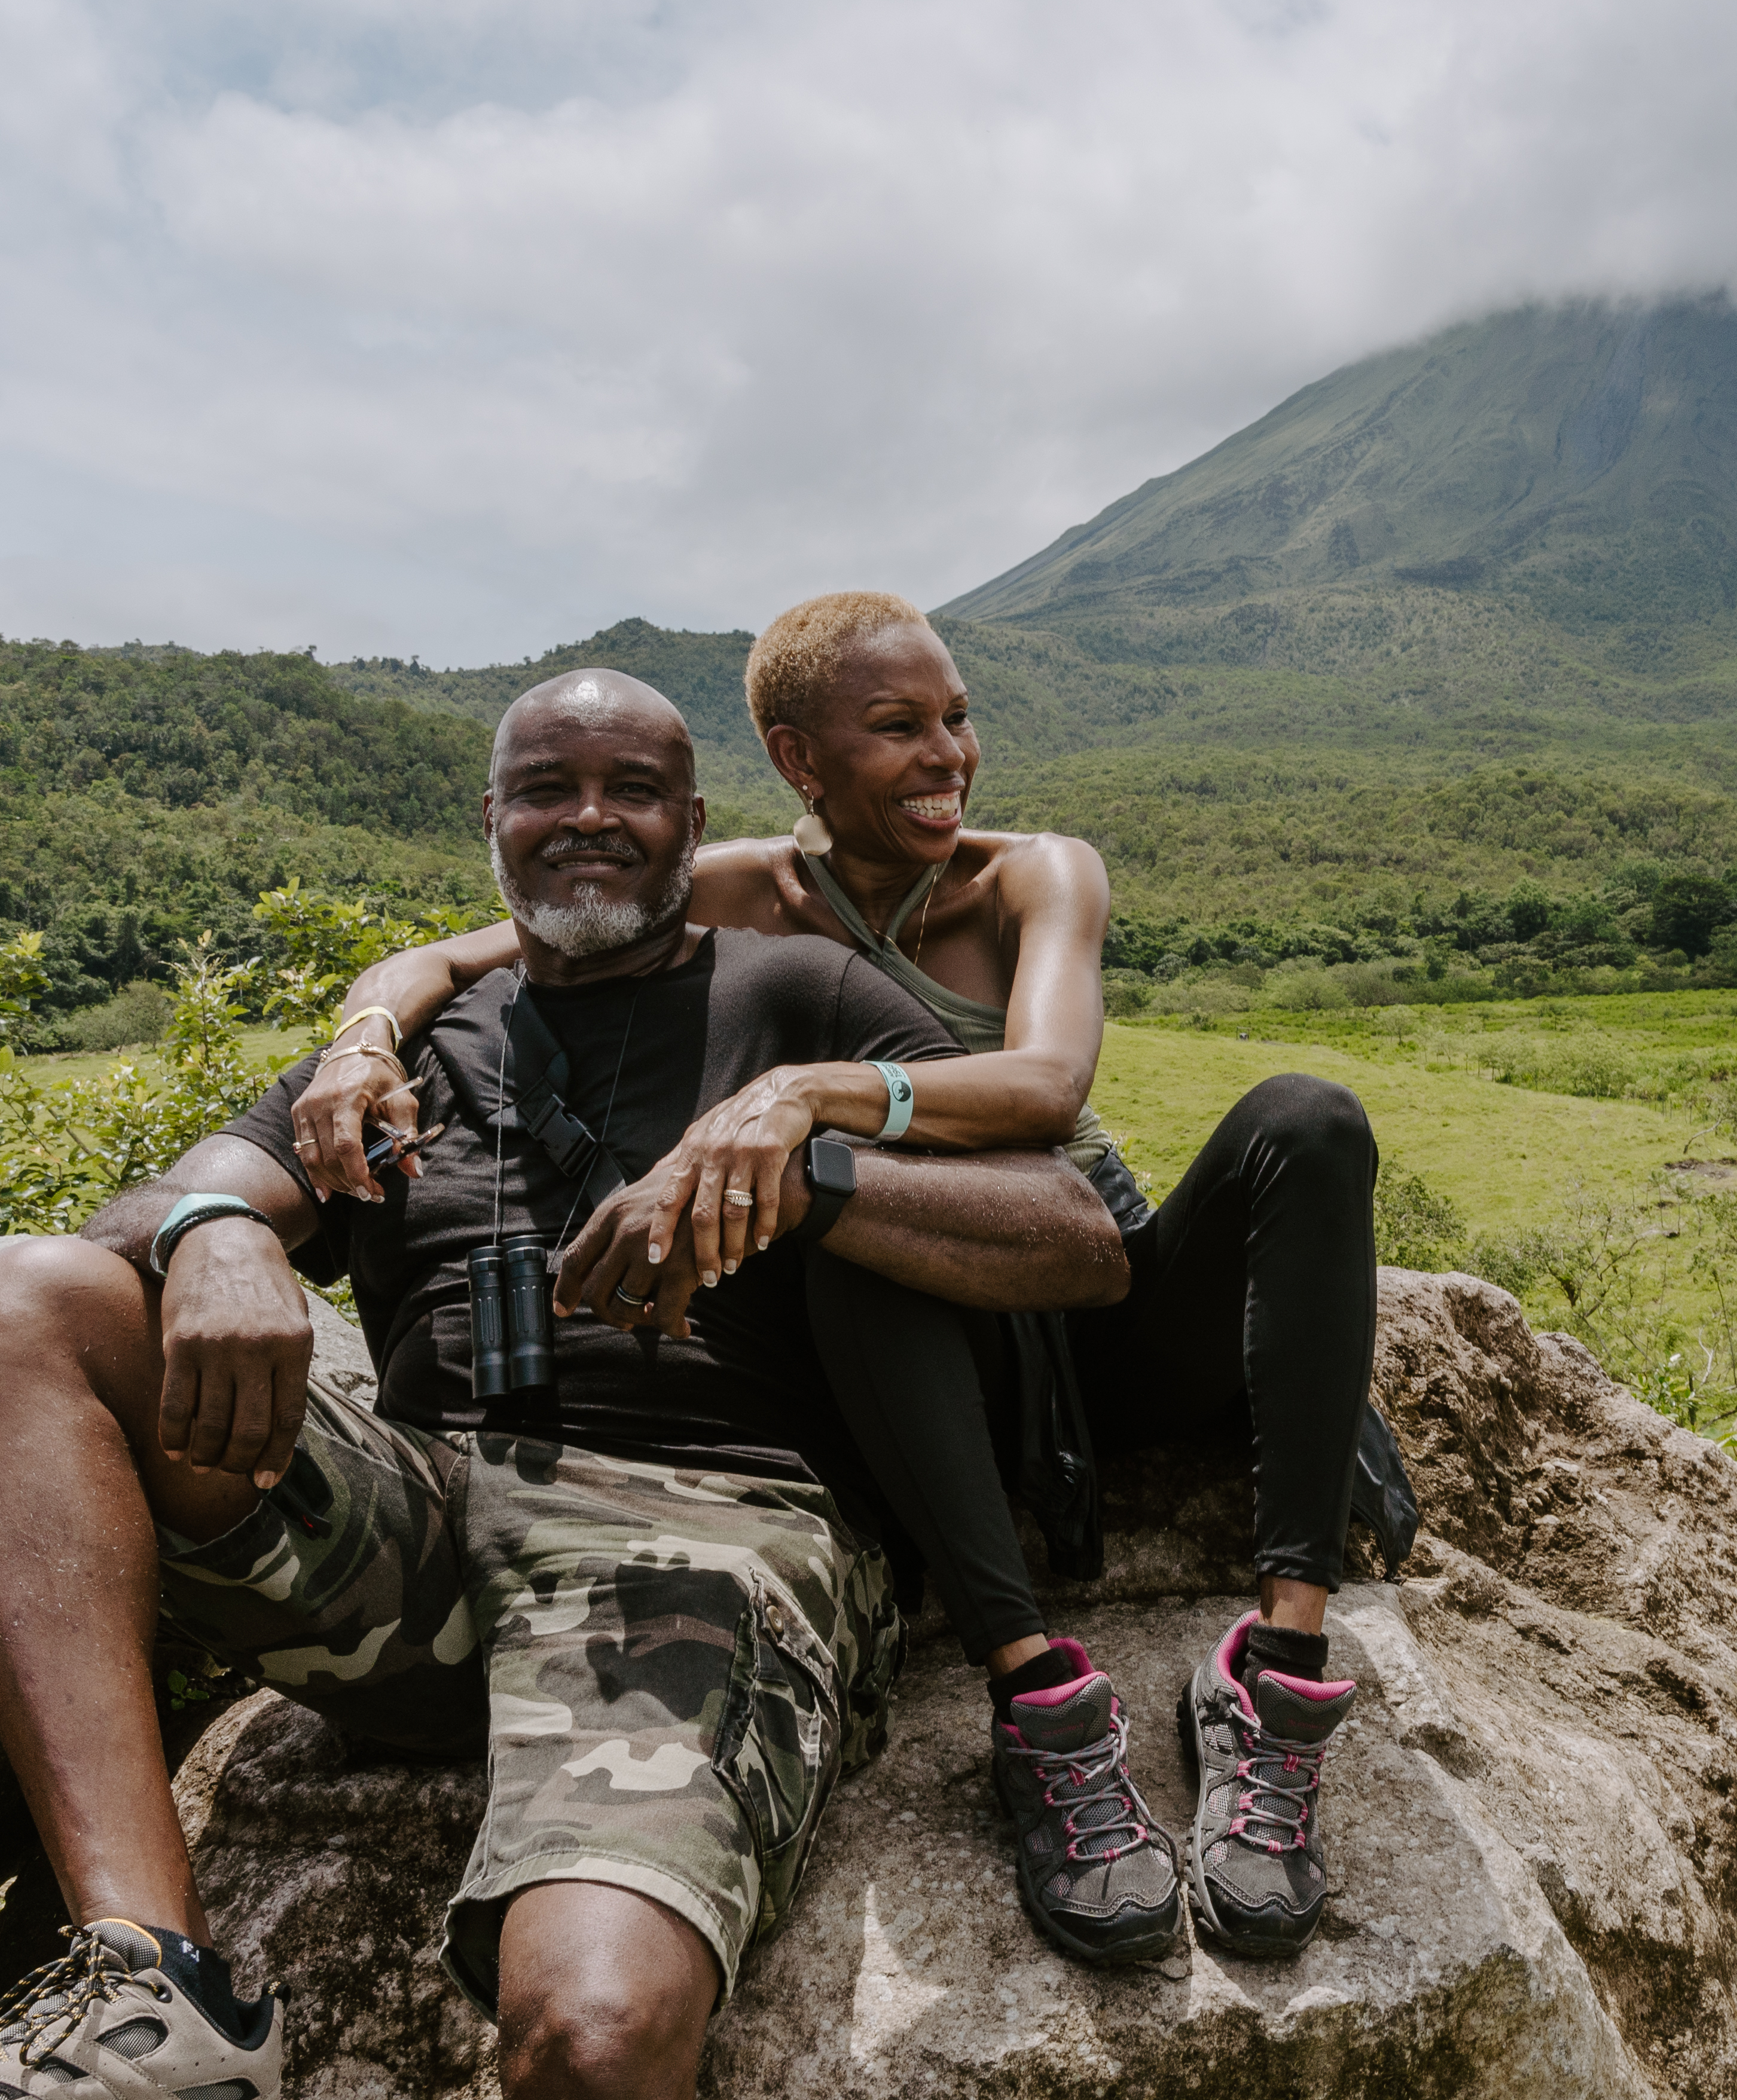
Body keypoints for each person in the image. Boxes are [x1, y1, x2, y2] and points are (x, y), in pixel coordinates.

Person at [0, 670, 1131, 2100]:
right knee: (15, 1301)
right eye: (550, 787)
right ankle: (152, 1995)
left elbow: (1072, 1235)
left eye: (633, 789)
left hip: (706, 1535)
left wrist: (811, 1169)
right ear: (491, 817)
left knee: (596, 2035)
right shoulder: (423, 1039)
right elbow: (144, 1215)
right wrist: (224, 1230)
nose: (590, 818)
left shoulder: (797, 992)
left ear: (694, 825)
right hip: (420, 1522)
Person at [292, 592, 1409, 1970]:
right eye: (898, 727)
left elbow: (1050, 1084)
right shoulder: (736, 886)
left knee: (1310, 1118)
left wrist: (808, 1089)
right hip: (947, 1348)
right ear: (797, 759)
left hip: (1088, 1293)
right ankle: (1035, 1688)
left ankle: (1282, 1666)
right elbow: (461, 951)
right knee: (847, 1215)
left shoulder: (1036, 873)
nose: (949, 753)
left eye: (957, 717)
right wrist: (357, 1041)